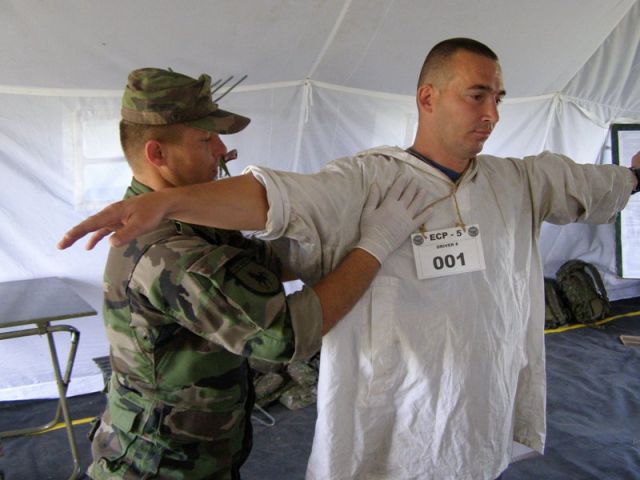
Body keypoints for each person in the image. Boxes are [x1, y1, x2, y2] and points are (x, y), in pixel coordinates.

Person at [59, 39, 640, 480]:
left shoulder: (515, 182)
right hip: (372, 428)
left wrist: (635, 176)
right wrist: (372, 241)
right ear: (428, 97)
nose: (491, 113)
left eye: (498, 98)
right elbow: (282, 202)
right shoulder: (369, 182)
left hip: (477, 415)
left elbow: (585, 184)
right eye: (476, 95)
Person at [76, 67, 430, 480]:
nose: (222, 149)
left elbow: (268, 263)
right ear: (158, 154)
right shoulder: (168, 252)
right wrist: (375, 245)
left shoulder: (191, 221)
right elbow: (286, 335)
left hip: (194, 455)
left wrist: (336, 223)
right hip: (160, 467)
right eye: (205, 139)